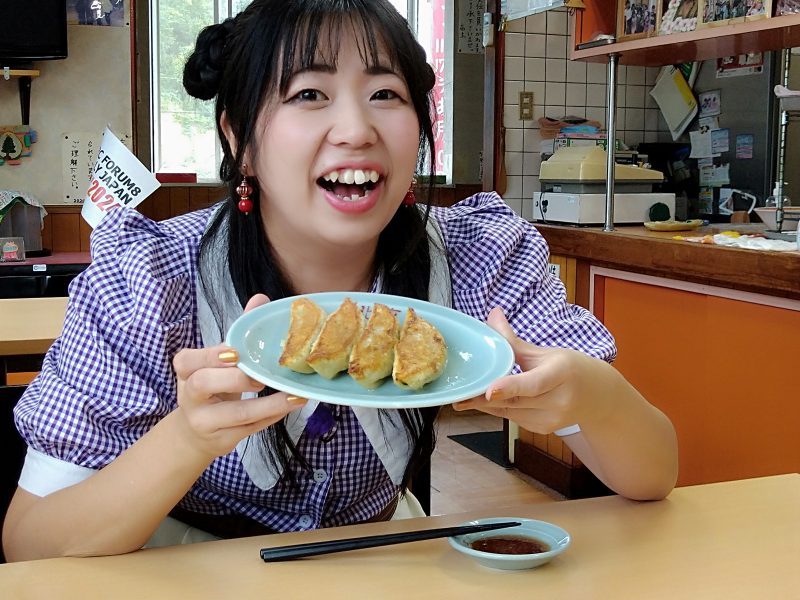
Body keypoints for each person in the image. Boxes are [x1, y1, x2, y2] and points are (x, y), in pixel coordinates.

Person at [2, 0, 678, 561]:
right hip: (179, 563)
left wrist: (588, 395)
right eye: (308, 94)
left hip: (372, 556)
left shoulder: (480, 256)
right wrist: (187, 438)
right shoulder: (148, 280)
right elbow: (32, 543)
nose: (356, 129)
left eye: (386, 94)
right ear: (238, 138)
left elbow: (654, 476)